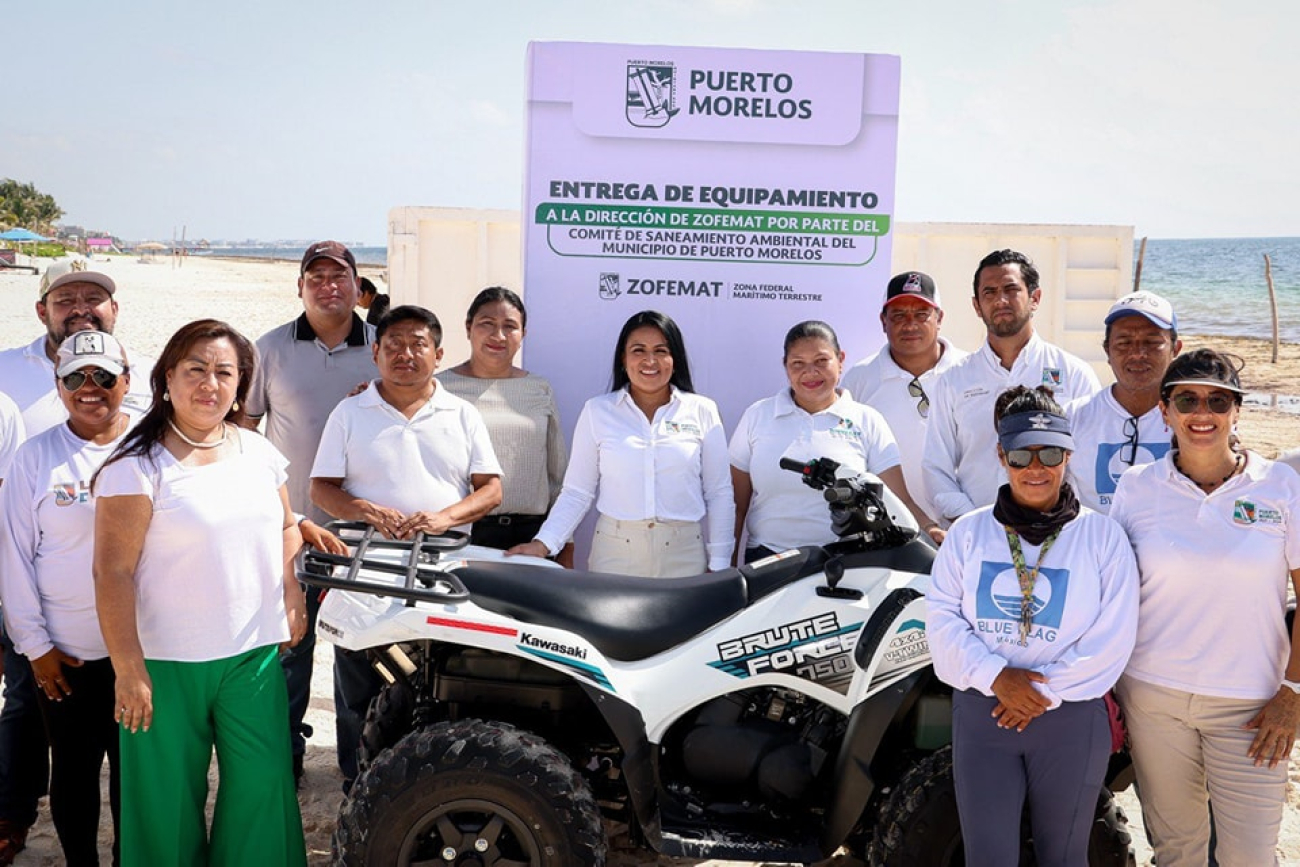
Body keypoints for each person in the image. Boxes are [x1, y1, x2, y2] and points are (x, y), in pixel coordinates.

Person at [92, 319, 307, 866]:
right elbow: (111, 573)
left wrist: (291, 592)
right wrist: (127, 669)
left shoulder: (258, 451)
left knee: (263, 788)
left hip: (251, 657)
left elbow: (286, 525)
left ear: (241, 385)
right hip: (165, 663)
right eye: (195, 369)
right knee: (165, 807)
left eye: (224, 372)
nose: (209, 383)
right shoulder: (136, 466)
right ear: (167, 378)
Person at [926, 386, 1139, 866]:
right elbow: (941, 623)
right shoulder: (968, 533)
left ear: (1068, 454)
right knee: (988, 858)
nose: (1036, 466)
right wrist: (998, 678)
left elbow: (1113, 637)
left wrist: (1039, 694)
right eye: (1021, 453)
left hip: (1069, 718)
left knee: (1064, 857)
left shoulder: (1102, 536)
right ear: (1001, 455)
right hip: (986, 713)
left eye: (1050, 453)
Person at [1110, 349, 1300, 866]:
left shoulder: (1281, 488)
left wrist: (1294, 692)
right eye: (1187, 398)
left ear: (1237, 410)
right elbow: (1111, 590)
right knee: (1178, 851)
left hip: (1252, 709)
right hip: (1153, 701)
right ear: (1165, 411)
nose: (1202, 412)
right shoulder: (1134, 488)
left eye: (1218, 399)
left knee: (1250, 858)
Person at [310, 304, 503, 789]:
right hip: (365, 565)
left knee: (439, 676)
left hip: (445, 567)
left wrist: (444, 517)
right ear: (375, 353)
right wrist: (365, 509)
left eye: (417, 344)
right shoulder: (350, 410)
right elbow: (321, 488)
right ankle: (359, 783)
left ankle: (426, 785)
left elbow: (491, 490)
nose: (405, 354)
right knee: (359, 679)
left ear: (438, 354)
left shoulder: (462, 414)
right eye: (392, 344)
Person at [0, 265, 151, 864]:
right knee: (73, 773)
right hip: (64, 654)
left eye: (104, 375)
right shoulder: (34, 457)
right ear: (57, 384)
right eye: (76, 377)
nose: (91, 387)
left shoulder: (151, 445)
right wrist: (34, 646)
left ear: (127, 380)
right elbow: (13, 555)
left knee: (134, 777)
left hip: (141, 653)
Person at [243, 239, 368, 786]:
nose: (327, 286)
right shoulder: (268, 348)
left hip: (362, 530)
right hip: (288, 527)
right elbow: (245, 430)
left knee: (360, 654)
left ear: (357, 286)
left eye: (337, 276)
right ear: (299, 287)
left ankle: (356, 765)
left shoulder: (383, 347)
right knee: (290, 649)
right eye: (314, 277)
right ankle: (284, 759)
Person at [508, 310, 733, 575]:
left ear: (675, 359)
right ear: (623, 360)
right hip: (614, 555)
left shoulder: (702, 410)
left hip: (684, 555)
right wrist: (544, 544)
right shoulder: (597, 411)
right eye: (639, 350)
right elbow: (577, 492)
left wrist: (720, 564)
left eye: (661, 350)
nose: (650, 360)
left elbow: (719, 493)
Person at [729, 321, 943, 563]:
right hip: (767, 559)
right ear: (785, 366)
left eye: (821, 361)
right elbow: (736, 506)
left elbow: (898, 498)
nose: (810, 373)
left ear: (840, 360)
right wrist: (726, 565)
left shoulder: (867, 420)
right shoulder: (758, 416)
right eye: (798, 364)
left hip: (845, 563)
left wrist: (929, 527)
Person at [922, 249, 1101, 524]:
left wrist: (1064, 524)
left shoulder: (1074, 373)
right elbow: (937, 466)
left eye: (1011, 289)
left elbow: (1088, 465)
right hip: (976, 534)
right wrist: (974, 524)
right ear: (976, 305)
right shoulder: (953, 380)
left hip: (1057, 533)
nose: (1000, 300)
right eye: (989, 293)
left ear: (1035, 298)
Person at [437, 287, 570, 558]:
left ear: (523, 334)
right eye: (487, 324)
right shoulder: (438, 388)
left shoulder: (538, 388)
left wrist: (563, 545)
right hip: (463, 534)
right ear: (468, 328)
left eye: (510, 326)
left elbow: (558, 478)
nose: (498, 336)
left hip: (532, 537)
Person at [840, 271, 968, 522]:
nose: (910, 325)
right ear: (883, 321)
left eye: (922, 315)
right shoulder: (860, 380)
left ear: (939, 318)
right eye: (899, 315)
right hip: (888, 531)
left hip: (965, 527)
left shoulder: (970, 372)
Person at [1064, 291, 1182, 514]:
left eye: (1152, 342)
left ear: (1175, 349)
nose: (1137, 354)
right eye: (1124, 343)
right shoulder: (1073, 417)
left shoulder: (1192, 420)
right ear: (1107, 351)